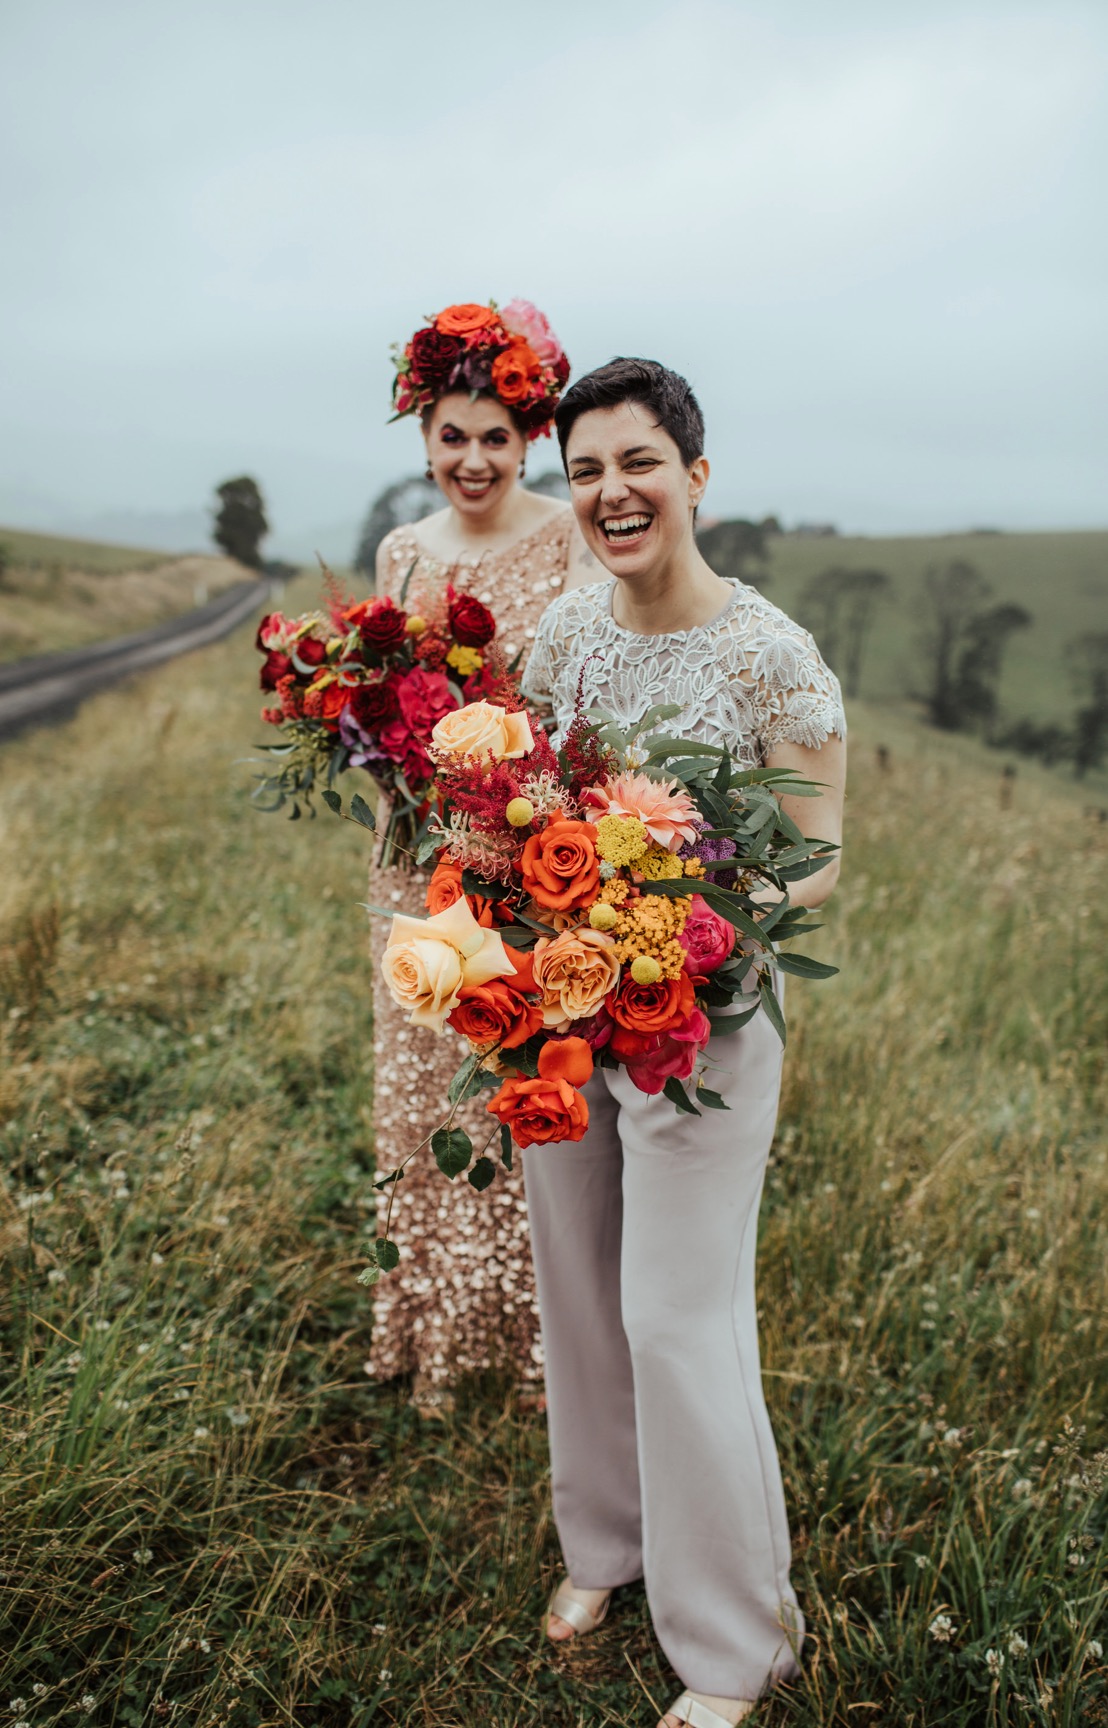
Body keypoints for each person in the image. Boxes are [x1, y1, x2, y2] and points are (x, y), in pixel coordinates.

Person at [519, 359, 847, 1728]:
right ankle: (608, 1545)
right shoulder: (560, 640)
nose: (611, 492)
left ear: (696, 477)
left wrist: (677, 913)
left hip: (701, 1028)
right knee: (579, 1294)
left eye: (637, 462)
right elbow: (524, 810)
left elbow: (816, 858)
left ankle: (731, 1649)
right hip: (563, 1013)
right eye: (586, 469)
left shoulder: (769, 651)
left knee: (676, 1311)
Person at [366, 299, 595, 1408]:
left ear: (530, 438)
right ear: (422, 436)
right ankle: (432, 1332)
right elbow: (384, 700)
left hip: (514, 856)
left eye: (494, 438)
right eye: (452, 437)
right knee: (422, 1085)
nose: (472, 459)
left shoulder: (563, 538)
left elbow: (582, 705)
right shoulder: (400, 551)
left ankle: (537, 1346)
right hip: (410, 859)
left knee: (511, 1079)